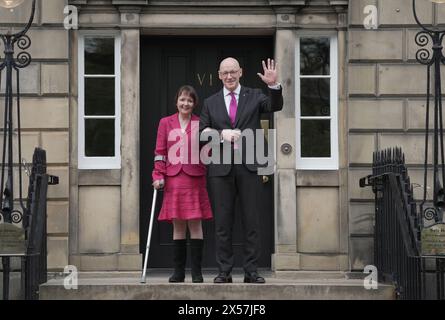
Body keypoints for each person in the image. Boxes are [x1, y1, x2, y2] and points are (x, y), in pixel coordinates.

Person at [199, 58, 283, 284]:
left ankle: (251, 272)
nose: (229, 76)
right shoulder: (210, 102)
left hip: (250, 166)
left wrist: (273, 86)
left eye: (233, 72)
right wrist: (219, 134)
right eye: (225, 72)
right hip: (221, 169)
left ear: (240, 72)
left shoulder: (255, 95)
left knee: (252, 222)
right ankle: (224, 272)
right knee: (223, 224)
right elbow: (200, 134)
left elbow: (274, 106)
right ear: (219, 75)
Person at [152, 85, 213, 283]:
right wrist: (157, 175)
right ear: (176, 101)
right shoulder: (165, 123)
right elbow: (160, 152)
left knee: (195, 224)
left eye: (189, 100)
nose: (185, 103)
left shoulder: (201, 123)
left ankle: (196, 273)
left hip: (195, 178)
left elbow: (209, 153)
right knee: (178, 225)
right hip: (174, 179)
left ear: (194, 104)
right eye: (182, 99)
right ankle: (178, 272)